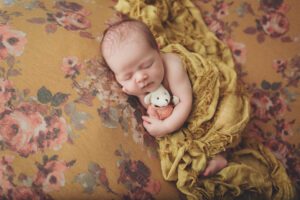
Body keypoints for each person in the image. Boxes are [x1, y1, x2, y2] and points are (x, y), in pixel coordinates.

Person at [100, 18, 227, 177]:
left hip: (191, 97)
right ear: (117, 78)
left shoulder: (173, 66)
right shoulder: (136, 85)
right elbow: (151, 103)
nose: (140, 78)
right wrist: (135, 92)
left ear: (158, 51)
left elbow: (186, 102)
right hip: (173, 106)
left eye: (146, 65)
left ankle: (221, 153)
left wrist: (166, 127)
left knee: (215, 120)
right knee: (179, 141)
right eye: (127, 76)